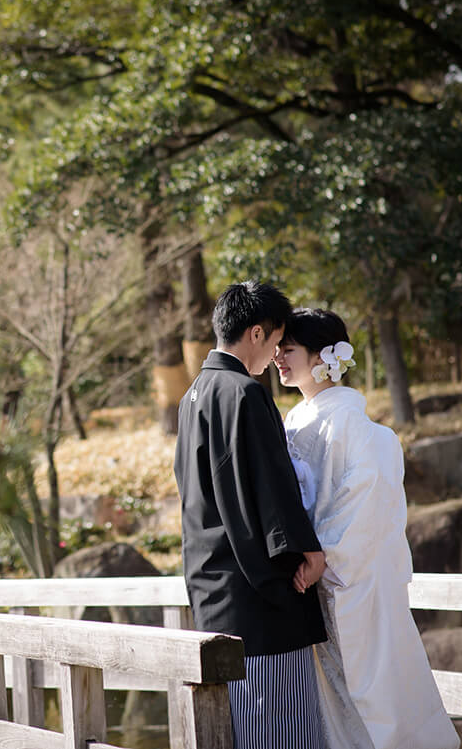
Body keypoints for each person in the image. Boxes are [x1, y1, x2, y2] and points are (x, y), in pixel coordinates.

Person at [275, 308, 459, 749]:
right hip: (314, 578)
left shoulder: (362, 430)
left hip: (350, 581)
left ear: (323, 356)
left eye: (290, 349)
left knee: (375, 696)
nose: (279, 357)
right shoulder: (294, 421)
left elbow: (366, 509)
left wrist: (320, 556)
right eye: (279, 348)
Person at [175, 281, 329, 749]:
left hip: (212, 591)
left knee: (239, 729)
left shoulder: (192, 396)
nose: (276, 355)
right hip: (257, 598)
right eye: (277, 341)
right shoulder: (243, 391)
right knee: (284, 728)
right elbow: (268, 483)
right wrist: (306, 550)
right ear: (257, 332)